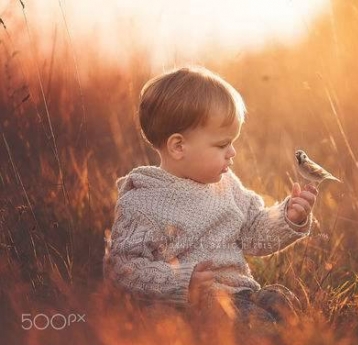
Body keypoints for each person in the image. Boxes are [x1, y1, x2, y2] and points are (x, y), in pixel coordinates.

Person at [103, 65, 318, 329]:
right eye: (221, 145)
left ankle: (285, 337)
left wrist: (288, 217)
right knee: (258, 326)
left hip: (240, 293)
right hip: (192, 307)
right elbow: (123, 268)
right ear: (179, 146)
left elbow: (253, 235)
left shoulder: (226, 186)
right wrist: (182, 281)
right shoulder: (142, 202)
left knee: (282, 302)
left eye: (232, 142)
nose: (233, 152)